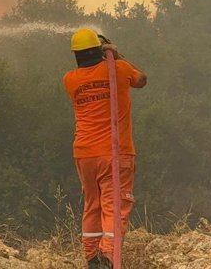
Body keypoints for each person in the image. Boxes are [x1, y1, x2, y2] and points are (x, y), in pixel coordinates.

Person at [63, 28, 147, 269]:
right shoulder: (119, 70)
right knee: (115, 204)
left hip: (84, 153)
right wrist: (116, 55)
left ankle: (92, 257)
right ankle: (109, 258)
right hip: (115, 152)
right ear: (99, 50)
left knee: (93, 205)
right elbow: (141, 80)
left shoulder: (70, 79)